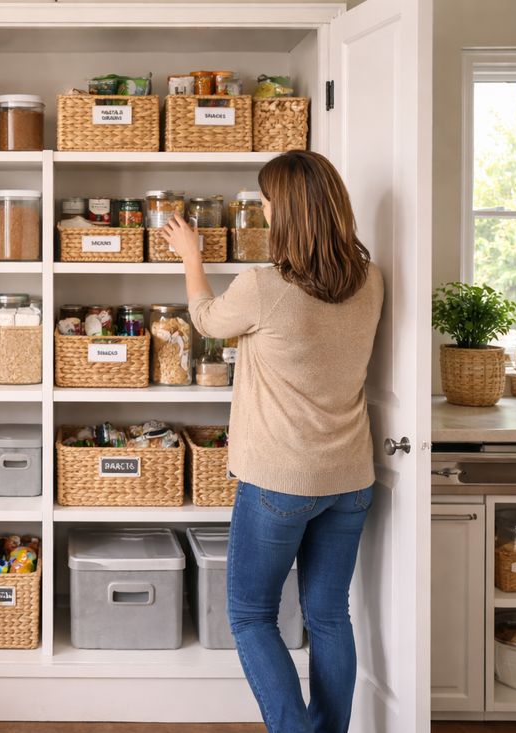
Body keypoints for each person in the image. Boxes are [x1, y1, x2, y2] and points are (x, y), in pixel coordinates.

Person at [161, 150, 384, 733]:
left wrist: (191, 256)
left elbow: (206, 320)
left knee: (252, 615)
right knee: (330, 616)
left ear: (285, 211)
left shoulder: (263, 286)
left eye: (264, 201)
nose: (260, 209)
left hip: (280, 481)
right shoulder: (370, 280)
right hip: (351, 478)